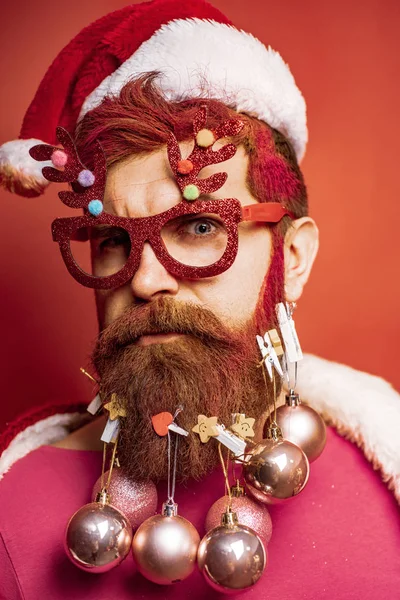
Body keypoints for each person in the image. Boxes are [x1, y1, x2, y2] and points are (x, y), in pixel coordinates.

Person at [0, 1, 399, 598]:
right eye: (113, 240)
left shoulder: (385, 483)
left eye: (200, 227)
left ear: (291, 260)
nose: (146, 280)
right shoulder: (13, 506)